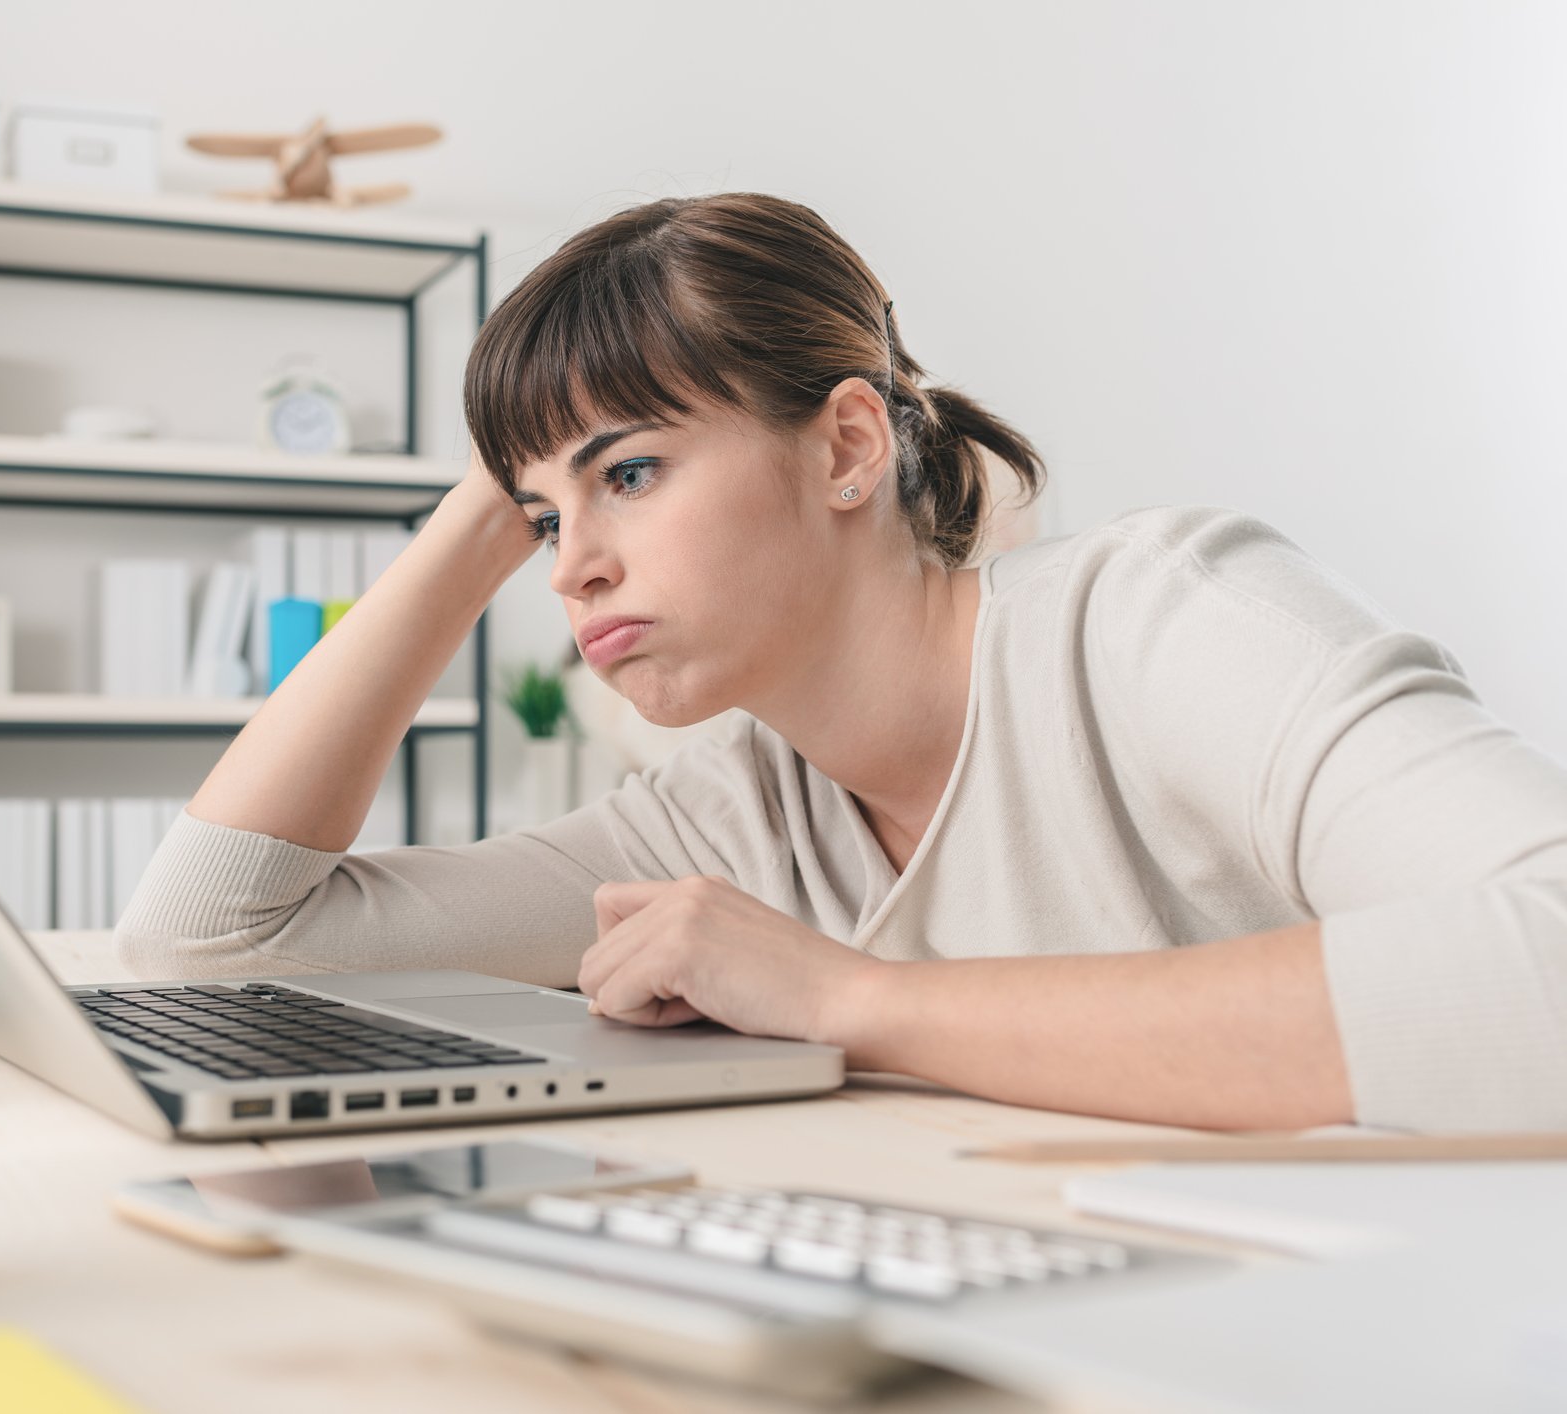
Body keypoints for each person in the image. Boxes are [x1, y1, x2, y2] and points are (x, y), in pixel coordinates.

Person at [117, 192, 1567, 1135]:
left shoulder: (1159, 624)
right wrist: (467, 526)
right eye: (543, 517)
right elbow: (214, 943)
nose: (568, 565)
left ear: (849, 447)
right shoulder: (720, 818)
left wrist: (851, 998)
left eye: (629, 473)